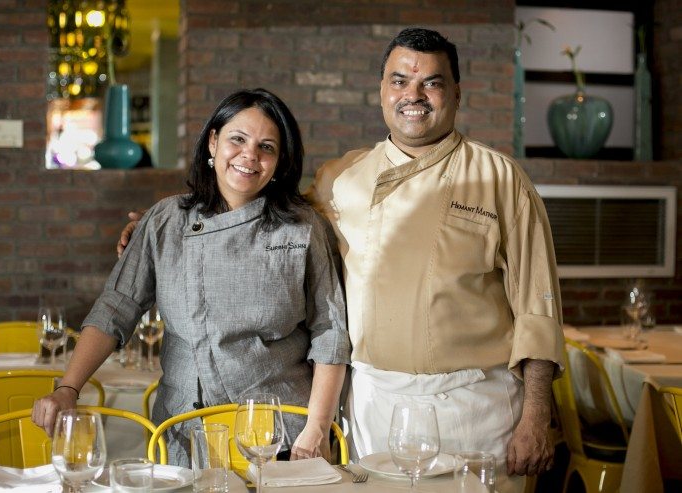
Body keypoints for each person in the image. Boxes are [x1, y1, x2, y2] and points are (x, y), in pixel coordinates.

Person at [118, 29, 564, 493]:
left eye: (432, 83)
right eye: (399, 80)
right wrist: (156, 226)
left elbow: (539, 308)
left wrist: (534, 416)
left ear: (456, 92)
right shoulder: (341, 177)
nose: (414, 95)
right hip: (373, 404)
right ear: (382, 91)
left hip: (475, 408)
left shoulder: (501, 178)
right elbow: (255, 220)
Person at [33, 88, 351, 466]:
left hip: (279, 429)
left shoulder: (302, 228)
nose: (250, 155)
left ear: (280, 162)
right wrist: (69, 387)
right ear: (213, 142)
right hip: (186, 423)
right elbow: (116, 308)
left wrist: (317, 426)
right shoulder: (165, 220)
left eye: (267, 147)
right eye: (238, 139)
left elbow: (330, 332)